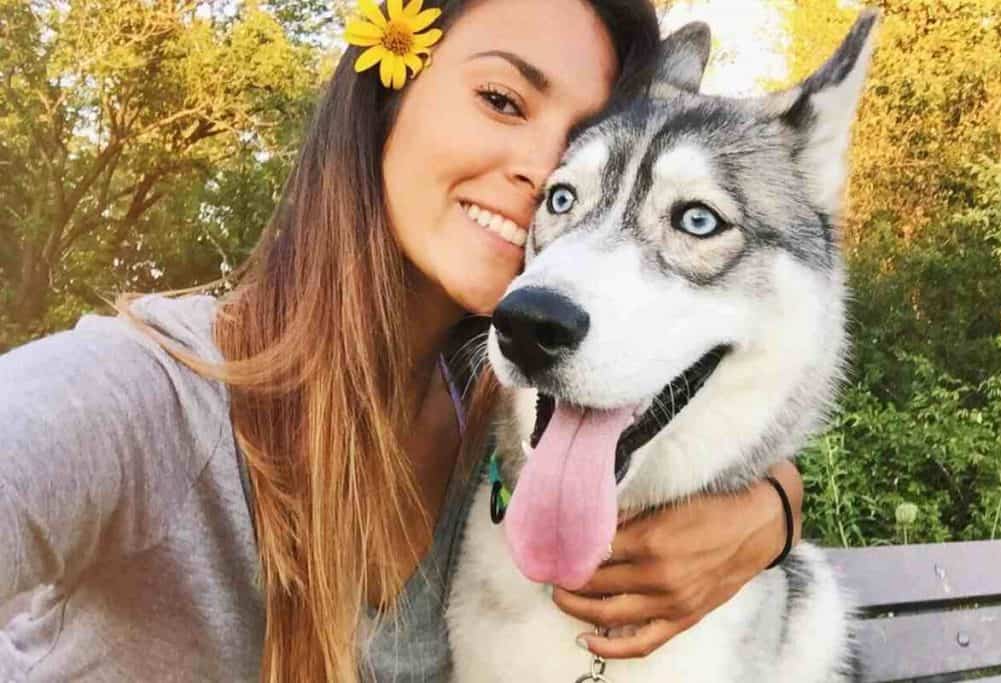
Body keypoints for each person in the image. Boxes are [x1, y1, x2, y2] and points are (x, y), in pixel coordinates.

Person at [0, 0, 805, 680]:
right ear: (390, 95)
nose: (544, 171)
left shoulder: (505, 423)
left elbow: (729, 427)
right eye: (502, 99)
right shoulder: (150, 396)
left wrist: (770, 512)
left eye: (579, 143)